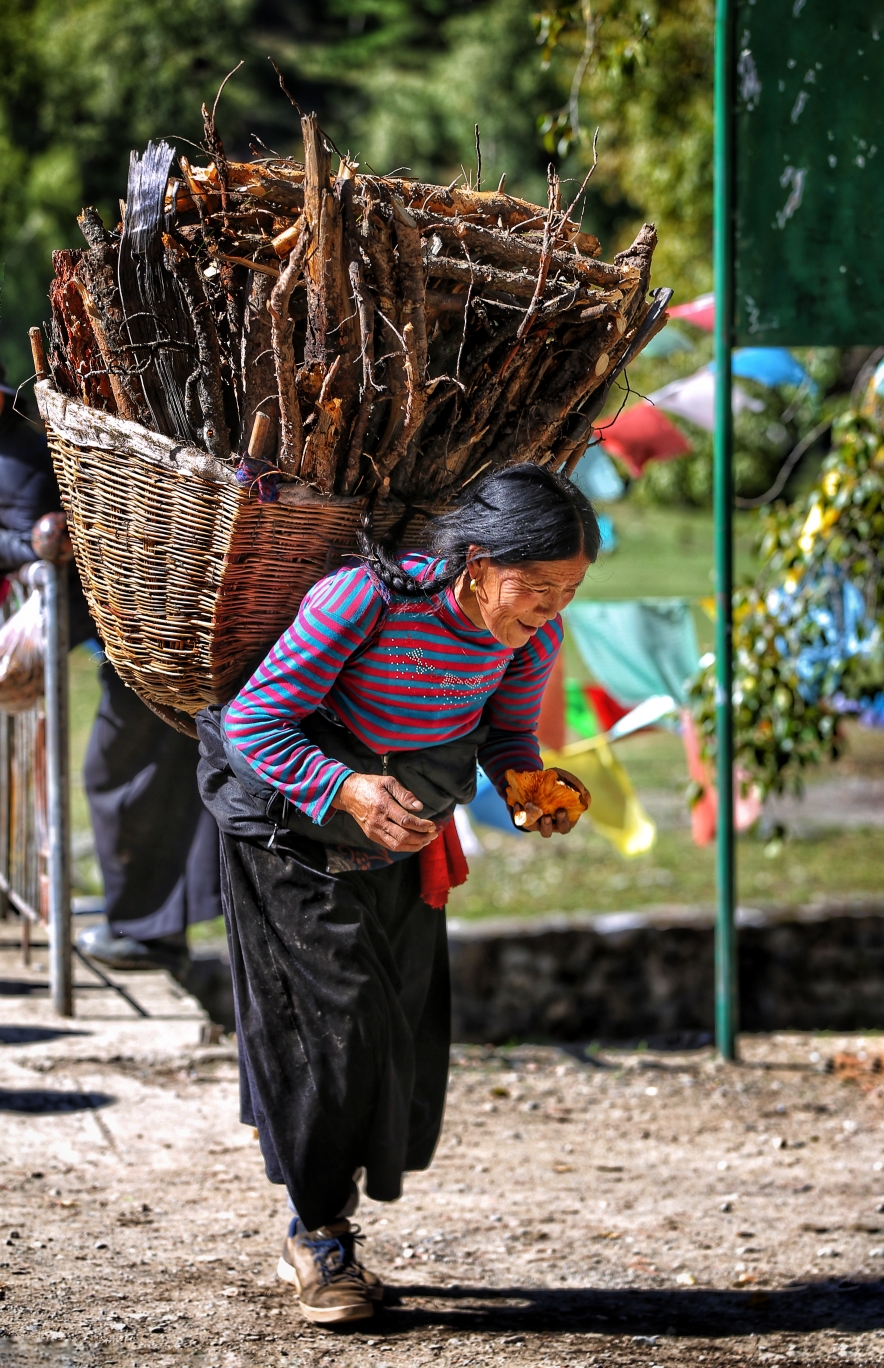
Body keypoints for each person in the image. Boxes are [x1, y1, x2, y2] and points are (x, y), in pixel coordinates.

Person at [196, 463, 600, 1325]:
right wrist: (347, 791)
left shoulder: (530, 641)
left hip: (401, 836)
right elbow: (253, 723)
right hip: (288, 831)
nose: (551, 608)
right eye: (538, 585)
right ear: (478, 562)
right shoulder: (365, 601)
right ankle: (317, 1239)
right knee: (338, 1024)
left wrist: (525, 783)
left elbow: (506, 733)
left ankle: (321, 1222)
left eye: (569, 590)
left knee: (388, 1027)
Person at [0, 356, 221, 974]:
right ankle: (147, 924)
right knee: (125, 773)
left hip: (152, 638)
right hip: (136, 638)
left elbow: (43, 542)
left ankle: (151, 931)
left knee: (120, 773)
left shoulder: (20, 462)